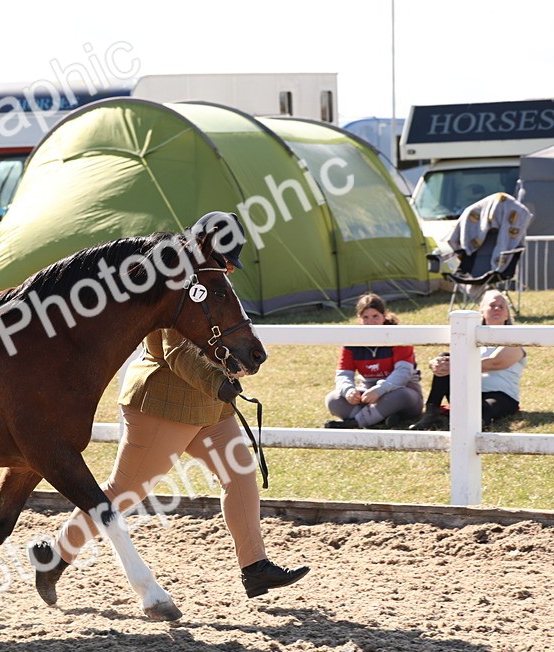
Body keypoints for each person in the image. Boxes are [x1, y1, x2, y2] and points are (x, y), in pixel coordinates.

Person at [28, 212, 309, 611]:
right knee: (123, 493)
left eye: (231, 259)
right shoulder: (169, 284)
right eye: (223, 256)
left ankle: (255, 567)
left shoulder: (211, 280)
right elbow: (175, 353)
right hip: (165, 407)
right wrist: (219, 381)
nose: (228, 266)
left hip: (211, 410)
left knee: (240, 473)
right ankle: (56, 556)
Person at [409, 290, 526, 431]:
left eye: (502, 306)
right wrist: (435, 363)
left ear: (507, 314)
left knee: (483, 411)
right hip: (468, 390)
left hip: (500, 396)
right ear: (481, 311)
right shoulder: (469, 337)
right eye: (492, 305)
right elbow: (451, 360)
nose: (497, 308)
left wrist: (456, 365)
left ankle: (467, 424)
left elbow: (496, 362)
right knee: (445, 356)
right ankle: (431, 414)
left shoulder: (515, 339)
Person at [323, 293, 422, 429]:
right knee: (333, 400)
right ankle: (378, 419)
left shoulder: (398, 336)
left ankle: (356, 422)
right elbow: (343, 374)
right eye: (366, 317)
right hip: (367, 394)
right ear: (359, 319)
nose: (371, 322)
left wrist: (380, 390)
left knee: (402, 395)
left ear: (384, 315)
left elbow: (403, 373)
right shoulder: (351, 342)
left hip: (402, 392)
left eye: (375, 316)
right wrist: (349, 391)